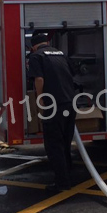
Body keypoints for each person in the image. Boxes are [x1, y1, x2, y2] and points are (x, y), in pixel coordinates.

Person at [28, 31, 77, 193]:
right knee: (65, 143)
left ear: (34, 46)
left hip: (54, 106)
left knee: (54, 145)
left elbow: (39, 79)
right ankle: (68, 175)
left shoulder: (36, 57)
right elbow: (73, 73)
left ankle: (62, 183)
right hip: (70, 103)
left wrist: (40, 98)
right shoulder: (60, 54)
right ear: (47, 43)